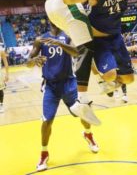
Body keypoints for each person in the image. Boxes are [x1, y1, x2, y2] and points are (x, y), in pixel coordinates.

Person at [28, 0, 100, 125]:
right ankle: (83, 101)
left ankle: (101, 84)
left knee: (81, 48)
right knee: (90, 42)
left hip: (50, 7)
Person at [27, 22, 99, 172]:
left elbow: (76, 52)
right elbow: (28, 61)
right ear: (49, 18)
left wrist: (60, 43)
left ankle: (88, 135)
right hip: (51, 86)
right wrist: (33, 61)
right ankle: (44, 154)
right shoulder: (40, 39)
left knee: (81, 112)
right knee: (47, 120)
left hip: (68, 83)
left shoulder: (67, 36)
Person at [0, 47, 9, 113]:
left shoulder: (1, 50)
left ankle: (1, 105)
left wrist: (7, 74)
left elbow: (6, 63)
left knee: (0, 89)